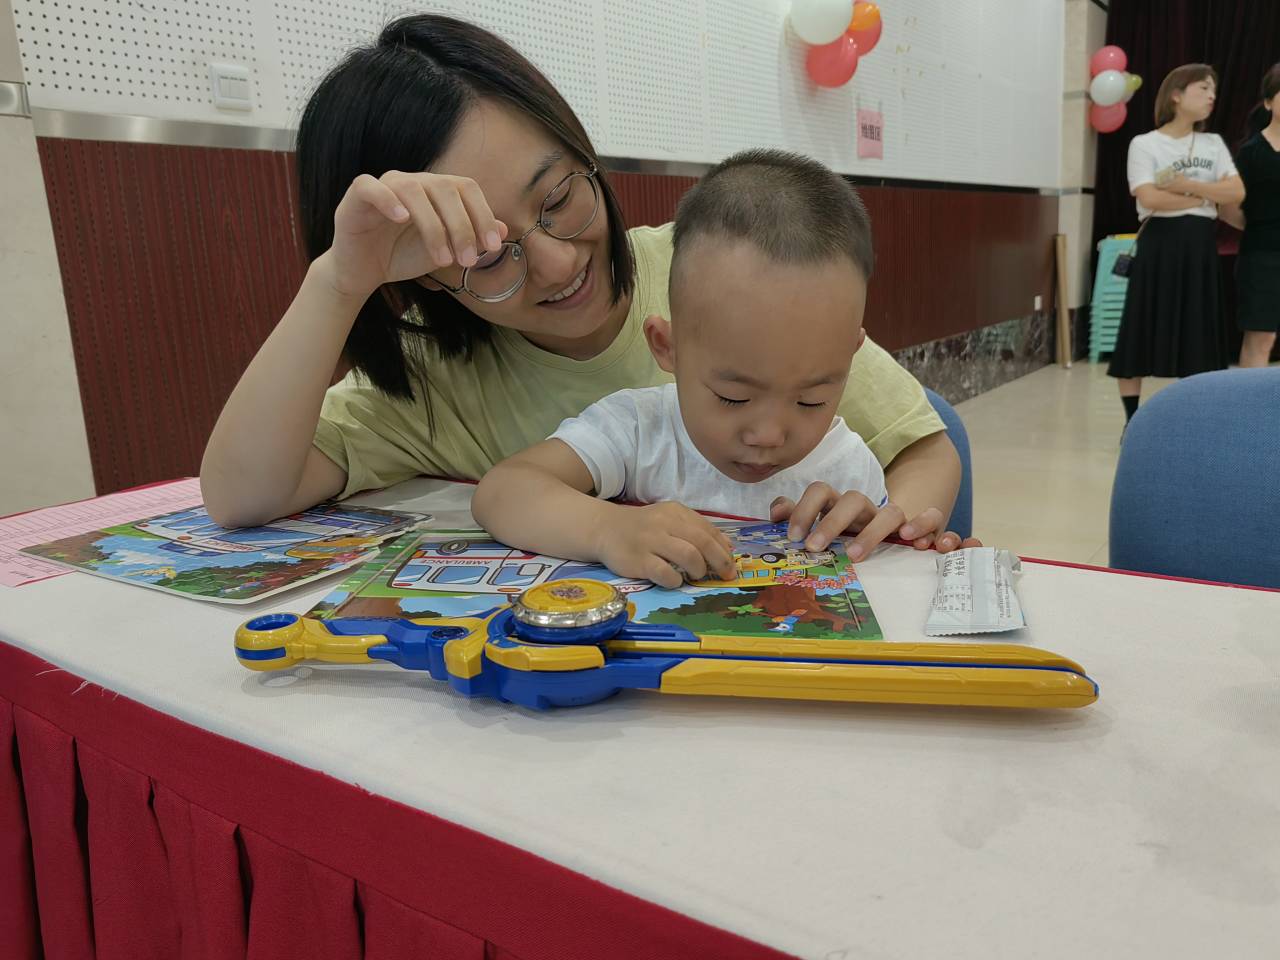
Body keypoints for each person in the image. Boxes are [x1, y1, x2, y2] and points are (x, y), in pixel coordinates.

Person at [200, 14, 969, 558]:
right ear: (426, 275)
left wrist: (888, 519)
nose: (559, 264)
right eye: (488, 253)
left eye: (560, 197)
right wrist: (341, 280)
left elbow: (925, 445)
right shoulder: (434, 384)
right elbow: (241, 497)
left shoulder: (723, 279)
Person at [473, 150, 888, 587]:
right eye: (733, 397)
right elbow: (503, 491)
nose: (768, 435)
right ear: (667, 347)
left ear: (850, 357)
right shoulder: (638, 431)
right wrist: (607, 529)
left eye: (811, 401)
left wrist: (887, 538)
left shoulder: (850, 469)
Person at [1107, 64, 1245, 423]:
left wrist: (1189, 187)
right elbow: (1149, 197)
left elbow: (1235, 191)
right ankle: (1132, 421)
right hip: (1159, 245)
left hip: (1199, 247)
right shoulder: (1145, 143)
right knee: (1139, 331)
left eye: (1214, 90)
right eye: (1203, 88)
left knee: (1197, 333)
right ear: (1176, 95)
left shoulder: (1213, 143)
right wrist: (1205, 197)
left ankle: (1196, 418)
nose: (1212, 96)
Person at [1219, 64, 1280, 367]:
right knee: (1261, 338)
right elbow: (1227, 209)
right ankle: (1250, 398)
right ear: (1268, 102)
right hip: (1262, 255)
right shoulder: (1251, 152)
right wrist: (1260, 226)